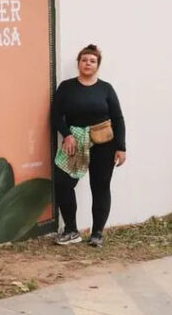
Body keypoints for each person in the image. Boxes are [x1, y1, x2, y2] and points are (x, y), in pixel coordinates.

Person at [51, 44, 126, 248]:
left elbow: (118, 118)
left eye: (92, 61)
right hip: (74, 141)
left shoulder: (106, 89)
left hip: (104, 143)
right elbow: (56, 116)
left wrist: (121, 147)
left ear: (97, 65)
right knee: (63, 183)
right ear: (78, 63)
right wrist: (66, 135)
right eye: (84, 60)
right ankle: (71, 230)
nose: (88, 64)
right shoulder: (66, 87)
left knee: (100, 187)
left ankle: (97, 233)